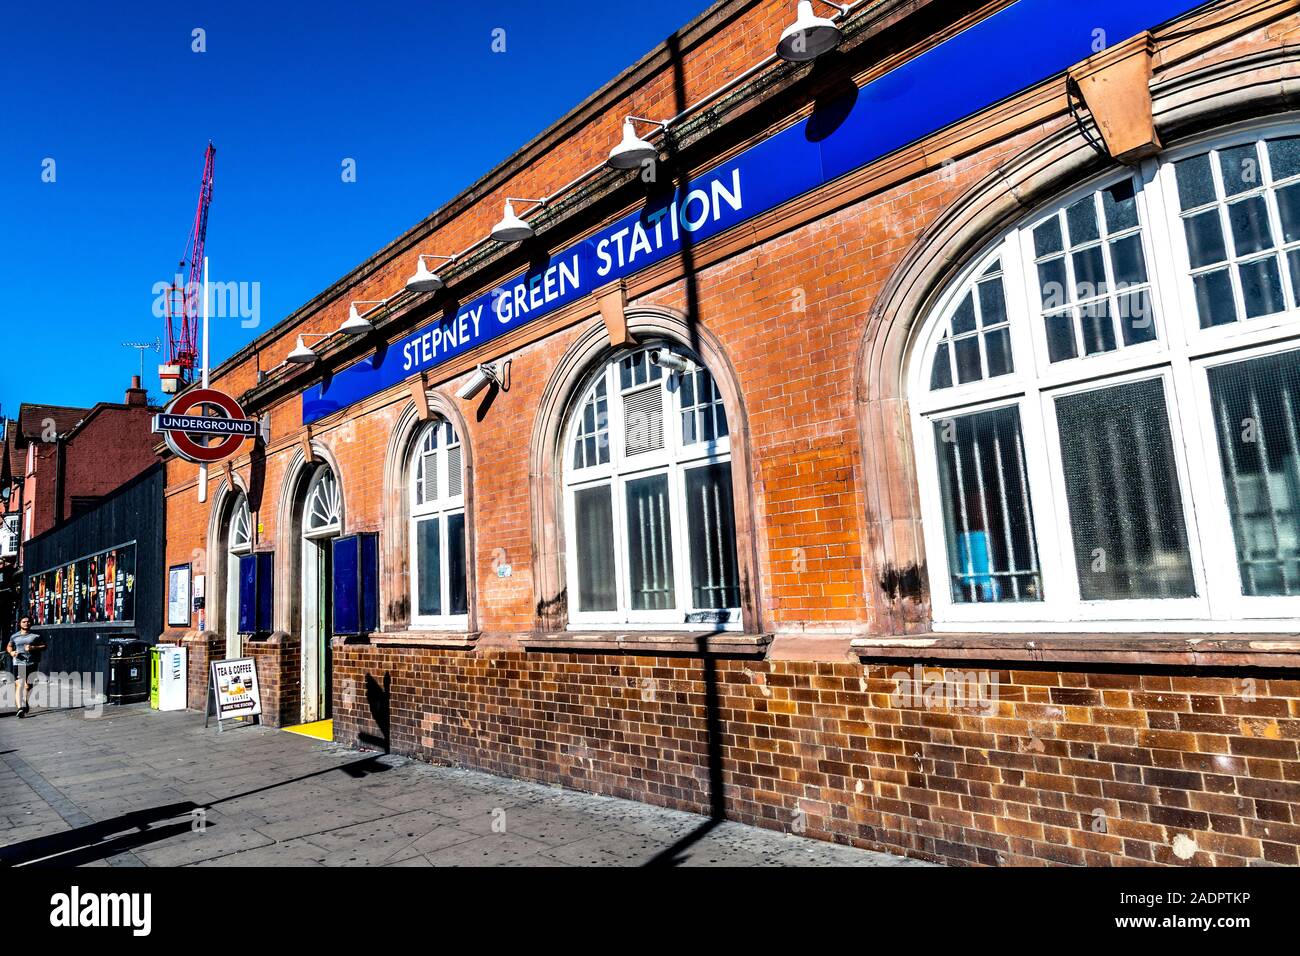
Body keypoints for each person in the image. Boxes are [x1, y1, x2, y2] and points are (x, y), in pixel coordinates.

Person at [7, 615, 46, 718]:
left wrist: (33, 647)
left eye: (28, 622)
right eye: (24, 622)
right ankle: (20, 708)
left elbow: (44, 646)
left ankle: (25, 701)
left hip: (32, 663)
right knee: (19, 685)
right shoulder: (14, 636)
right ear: (19, 624)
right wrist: (11, 653)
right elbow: (9, 646)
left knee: (28, 686)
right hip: (19, 663)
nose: (26, 623)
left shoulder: (36, 636)